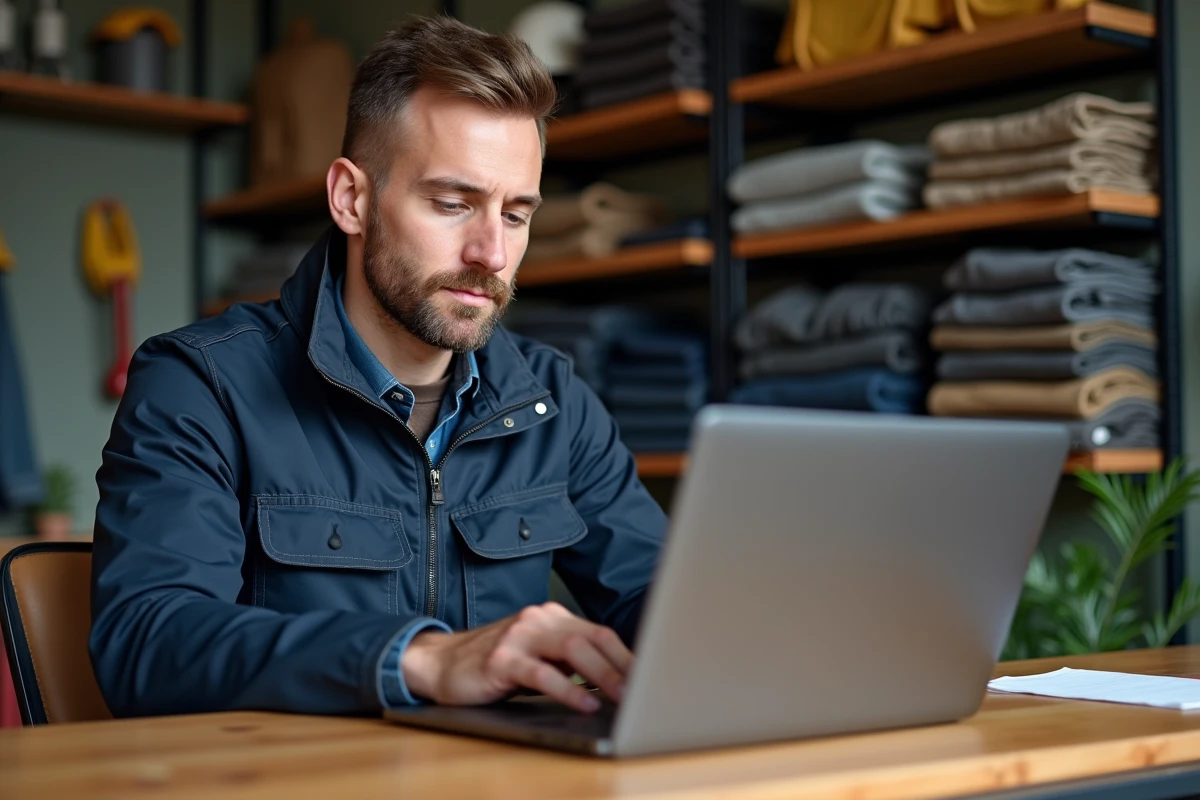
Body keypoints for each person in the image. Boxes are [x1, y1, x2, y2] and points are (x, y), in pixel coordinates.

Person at [89, 15, 667, 718]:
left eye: (516, 215)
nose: (491, 251)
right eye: (453, 204)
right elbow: (147, 644)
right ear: (351, 198)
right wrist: (418, 659)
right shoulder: (199, 386)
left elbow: (658, 600)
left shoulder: (553, 401)